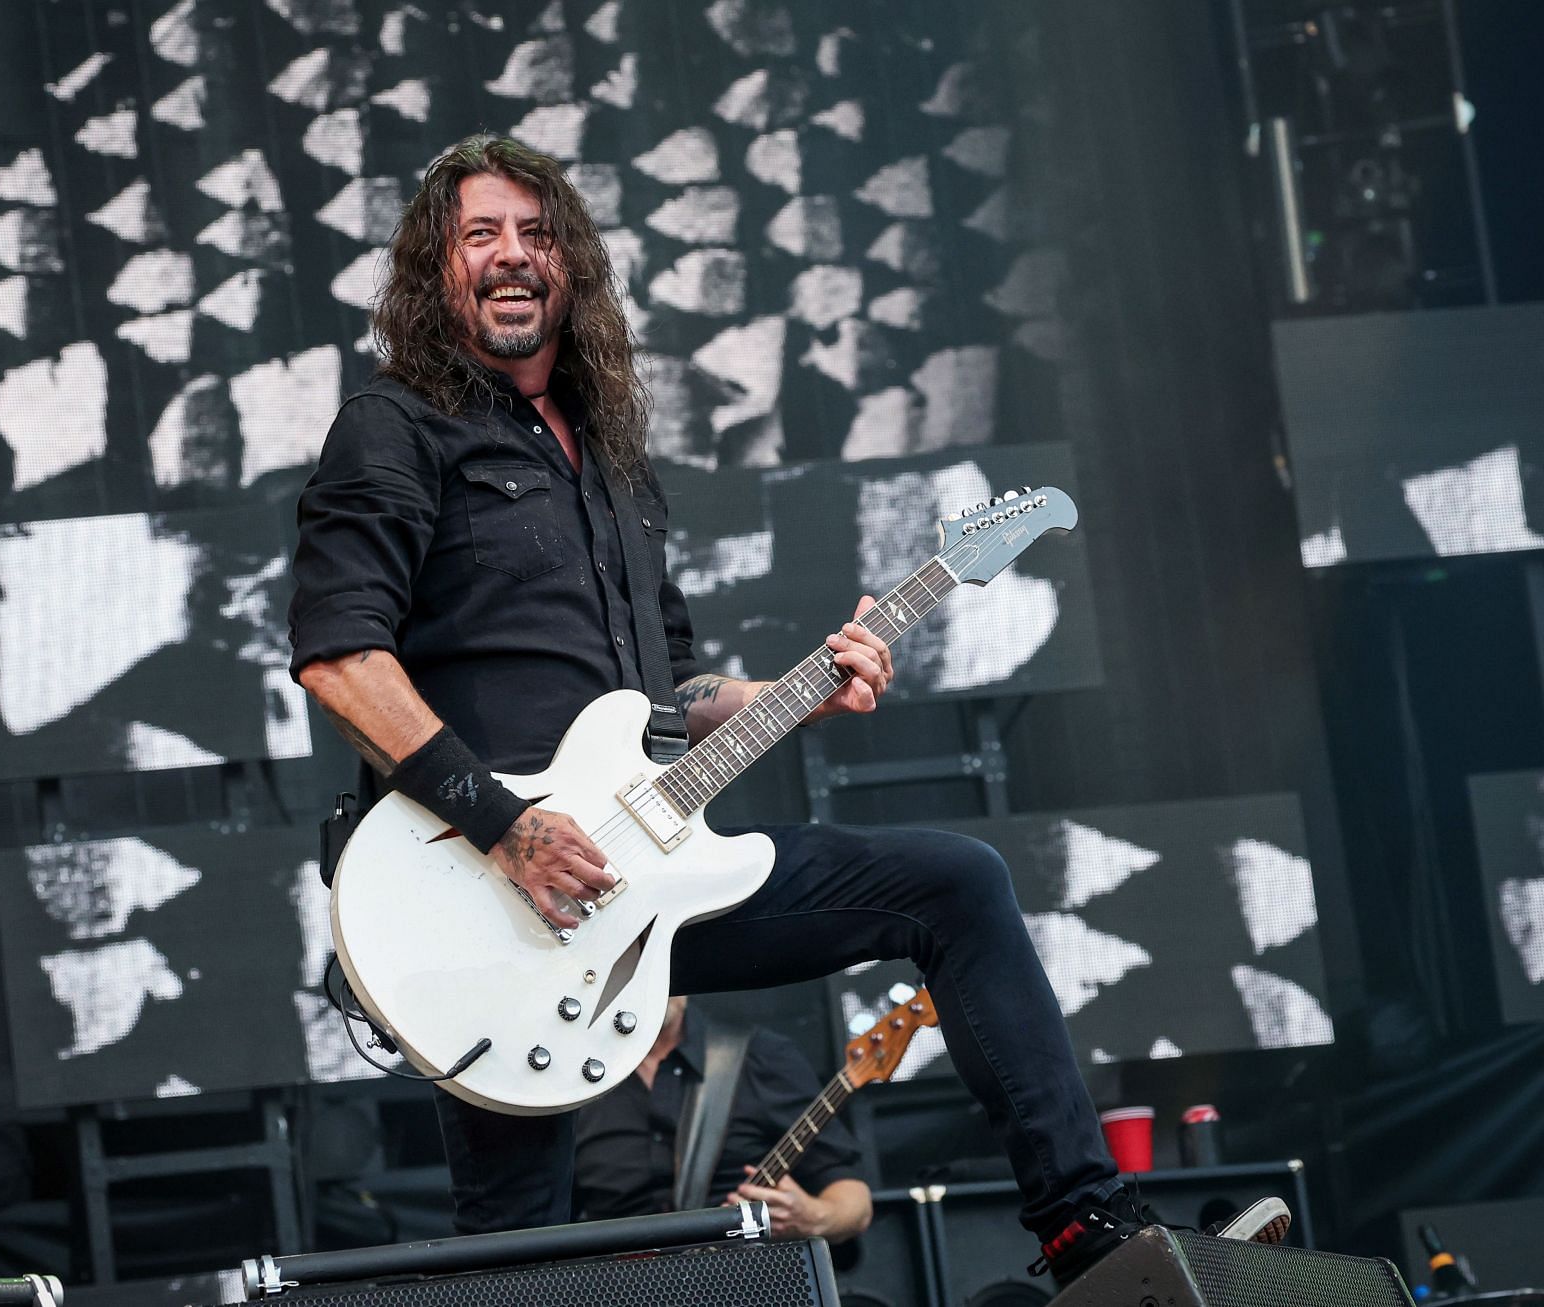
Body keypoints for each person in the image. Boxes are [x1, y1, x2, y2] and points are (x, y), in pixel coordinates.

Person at [287, 133, 1278, 1287]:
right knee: (522, 1246)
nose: (512, 255)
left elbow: (672, 696)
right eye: (480, 234)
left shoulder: (611, 461)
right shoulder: (394, 426)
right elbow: (340, 658)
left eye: (537, 231)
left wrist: (787, 697)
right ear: (437, 269)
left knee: (954, 884)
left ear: (572, 265)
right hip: (487, 898)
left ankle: (1086, 1231)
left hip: (643, 879)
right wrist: (509, 828)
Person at [571, 995, 873, 1246]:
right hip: (617, 1286)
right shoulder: (569, 1084)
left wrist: (814, 1217)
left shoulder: (760, 1056)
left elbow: (855, 1202)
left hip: (748, 1286)